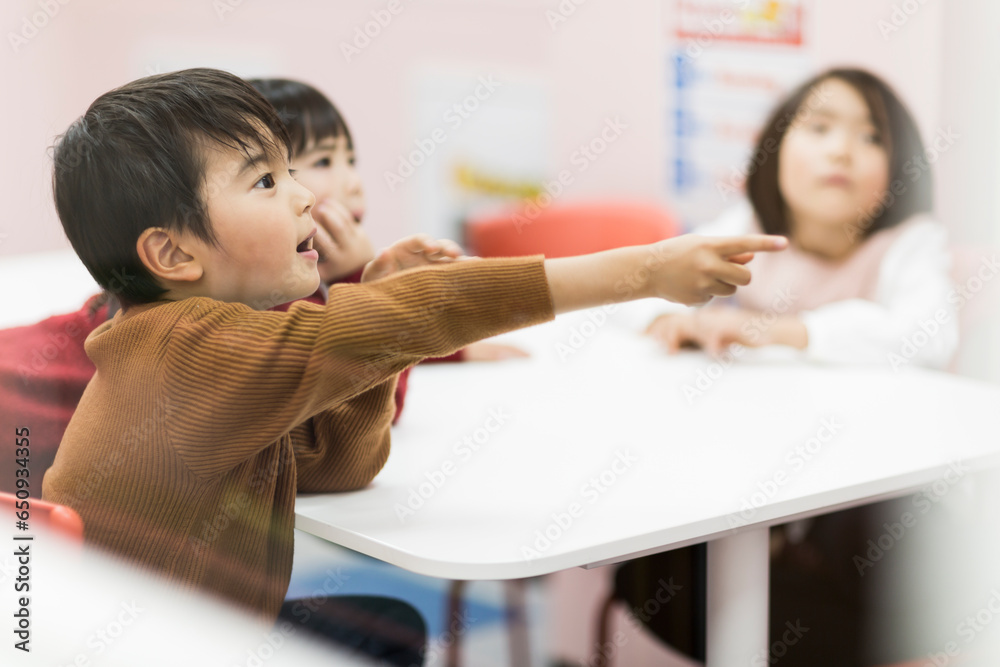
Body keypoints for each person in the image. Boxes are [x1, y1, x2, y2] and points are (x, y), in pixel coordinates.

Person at [39, 68, 785, 664]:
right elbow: (411, 317)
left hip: (188, 632)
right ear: (172, 254)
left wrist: (376, 311)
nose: (305, 195)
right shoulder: (187, 352)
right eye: (266, 181)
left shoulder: (214, 343)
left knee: (383, 625)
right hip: (152, 648)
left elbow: (339, 462)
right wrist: (642, 270)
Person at [618, 67, 956, 666]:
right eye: (819, 127)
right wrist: (669, 320)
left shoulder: (909, 244)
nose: (841, 150)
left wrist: (777, 330)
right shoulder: (747, 228)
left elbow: (927, 336)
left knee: (891, 545)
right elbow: (648, 290)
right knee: (646, 569)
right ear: (773, 150)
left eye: (871, 137)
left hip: (864, 509)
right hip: (751, 487)